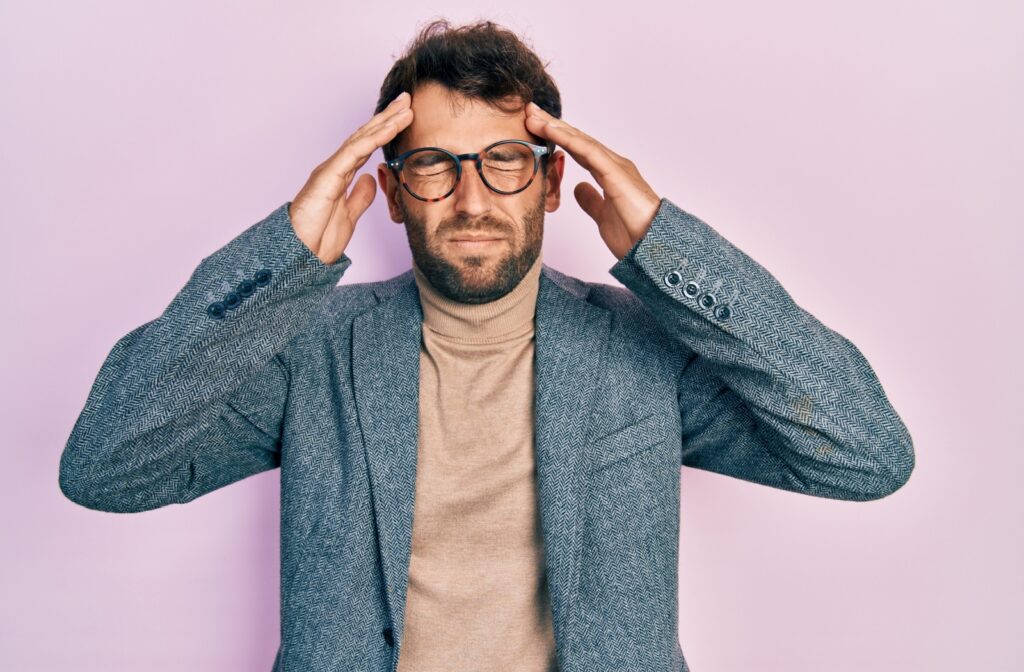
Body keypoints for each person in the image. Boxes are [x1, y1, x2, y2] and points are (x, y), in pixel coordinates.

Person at [59, 18, 915, 672]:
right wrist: (279, 261)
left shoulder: (641, 349)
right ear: (394, 195)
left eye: (504, 160)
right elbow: (105, 468)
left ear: (549, 182)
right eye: (435, 165)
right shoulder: (309, 349)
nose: (472, 199)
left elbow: (866, 454)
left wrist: (664, 247)